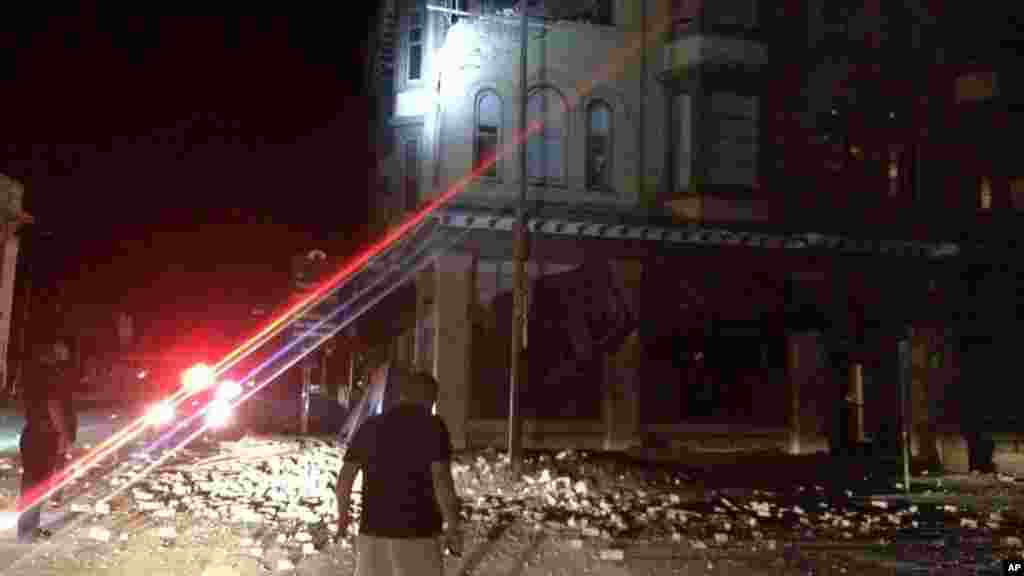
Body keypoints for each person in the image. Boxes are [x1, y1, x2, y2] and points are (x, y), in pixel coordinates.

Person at [335, 369, 462, 576]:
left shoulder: (370, 426)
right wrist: (453, 526)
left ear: (402, 396)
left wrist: (342, 520)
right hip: (418, 534)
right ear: (431, 400)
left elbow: (344, 481)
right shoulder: (433, 426)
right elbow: (441, 480)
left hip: (372, 534)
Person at [17, 339, 67, 542]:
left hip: (31, 434)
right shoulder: (50, 375)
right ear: (50, 354)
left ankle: (28, 530)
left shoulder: (32, 374)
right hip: (44, 436)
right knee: (36, 485)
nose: (64, 354)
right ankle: (28, 532)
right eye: (60, 350)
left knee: (30, 483)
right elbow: (53, 405)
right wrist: (62, 433)